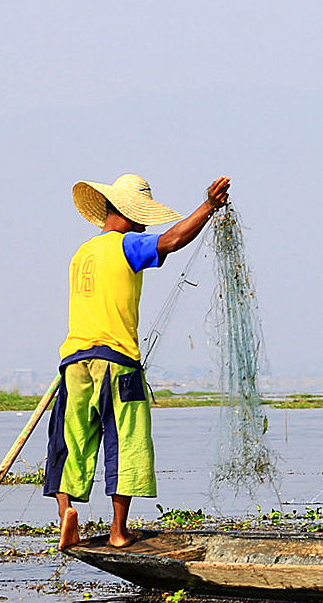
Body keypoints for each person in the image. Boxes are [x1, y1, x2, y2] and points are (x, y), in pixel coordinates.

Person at [44, 172, 230, 550]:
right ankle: (117, 532)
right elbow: (173, 240)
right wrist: (208, 207)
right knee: (125, 441)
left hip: (75, 362)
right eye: (142, 216)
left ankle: (67, 518)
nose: (146, 222)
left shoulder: (81, 254)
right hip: (117, 362)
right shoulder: (127, 245)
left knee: (70, 441)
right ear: (129, 215)